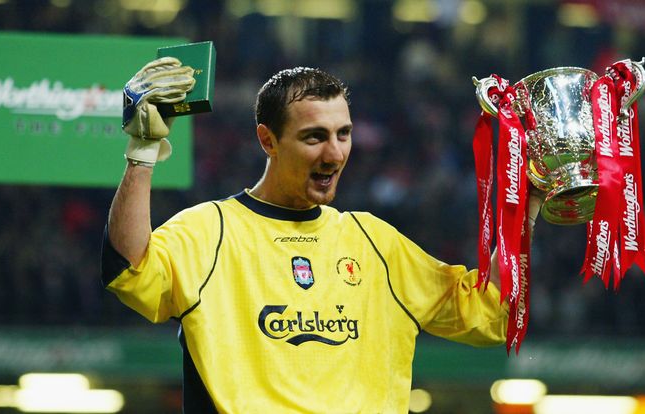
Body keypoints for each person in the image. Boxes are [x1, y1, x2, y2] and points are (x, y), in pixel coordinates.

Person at [102, 57, 541, 413]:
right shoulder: (210, 230)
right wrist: (141, 153)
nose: (334, 153)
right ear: (268, 141)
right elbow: (129, 271)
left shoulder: (374, 242)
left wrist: (530, 200)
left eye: (343, 134)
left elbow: (490, 311)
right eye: (314, 137)